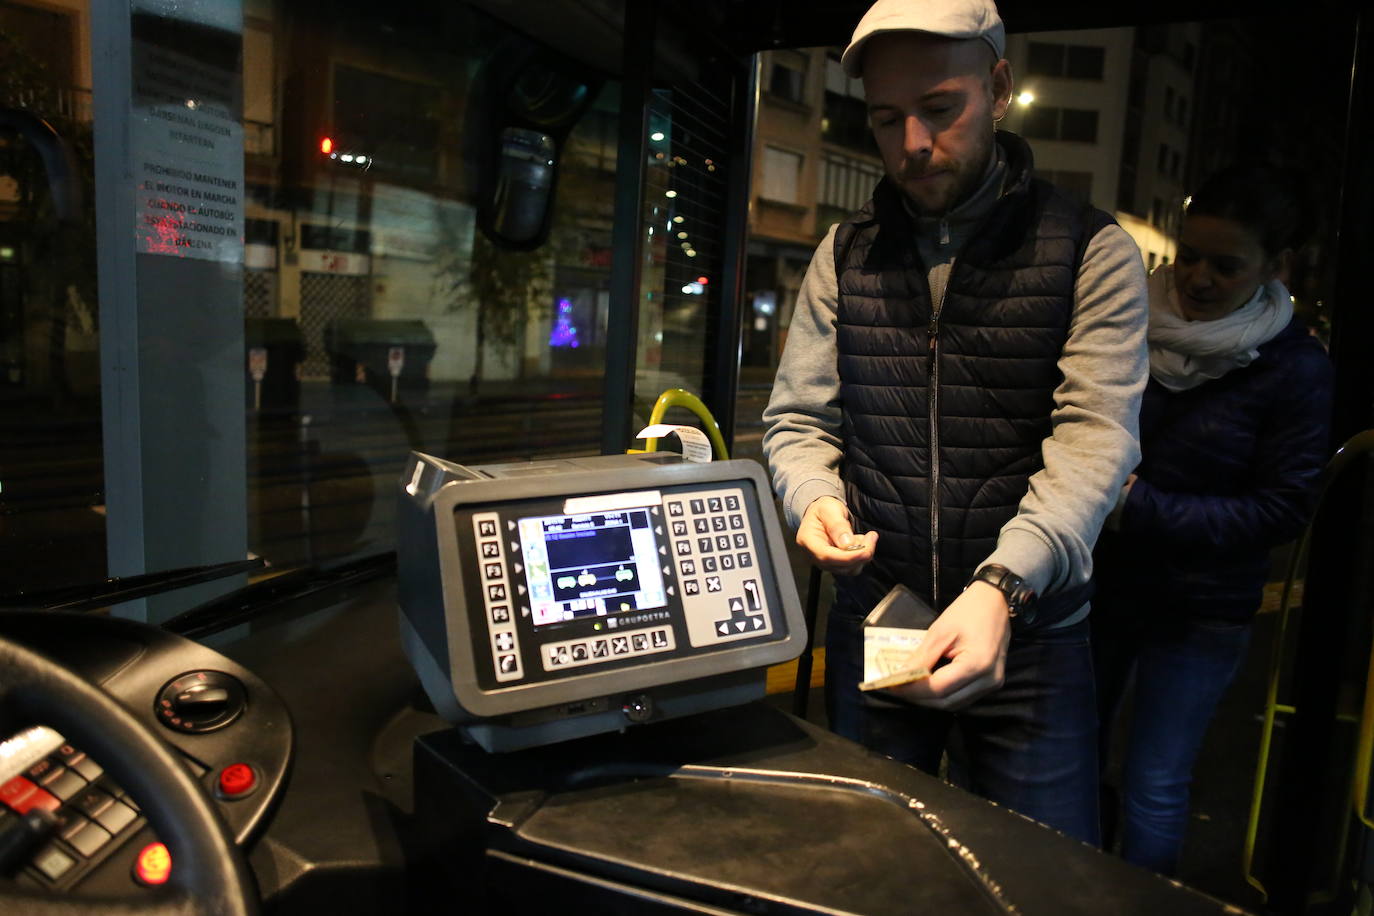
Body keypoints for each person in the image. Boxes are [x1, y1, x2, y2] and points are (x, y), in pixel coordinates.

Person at [760, 0, 1149, 845]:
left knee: (1040, 874)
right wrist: (811, 498)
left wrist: (1004, 585)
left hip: (1036, 629)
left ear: (999, 87)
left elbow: (1096, 439)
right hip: (879, 613)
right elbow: (797, 421)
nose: (911, 144)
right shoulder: (843, 252)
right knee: (868, 862)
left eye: (940, 110)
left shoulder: (1092, 249)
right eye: (886, 118)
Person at [1091, 164, 1334, 875]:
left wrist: (1137, 507)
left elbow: (1283, 507)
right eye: (1188, 255)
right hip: (1101, 587)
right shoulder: (1124, 320)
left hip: (1202, 608)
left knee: (1154, 786)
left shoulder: (1295, 368)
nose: (1196, 278)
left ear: (1275, 267)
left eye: (1225, 266)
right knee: (1070, 763)